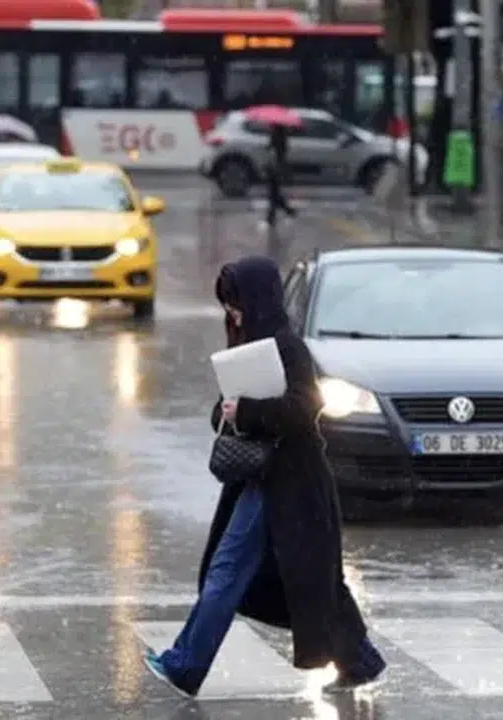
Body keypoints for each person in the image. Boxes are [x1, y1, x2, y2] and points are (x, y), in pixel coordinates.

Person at [143, 256, 384, 697]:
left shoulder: (288, 347)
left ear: (255, 299)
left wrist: (248, 411)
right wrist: (231, 411)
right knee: (311, 581)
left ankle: (186, 664)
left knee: (233, 571)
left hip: (291, 483)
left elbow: (304, 408)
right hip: (260, 479)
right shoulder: (249, 348)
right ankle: (360, 660)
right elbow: (223, 410)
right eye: (227, 305)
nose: (231, 314)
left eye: (235, 303)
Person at [263, 126, 296, 228]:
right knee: (274, 192)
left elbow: (274, 150)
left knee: (273, 192)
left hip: (274, 167)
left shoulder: (276, 135)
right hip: (277, 166)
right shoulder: (282, 136)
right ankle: (287, 210)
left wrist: (268, 147)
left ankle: (272, 217)